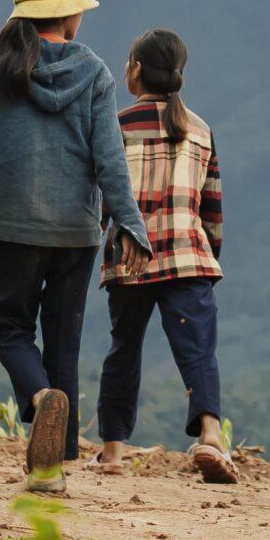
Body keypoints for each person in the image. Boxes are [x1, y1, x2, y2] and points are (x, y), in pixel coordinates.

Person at [0, 0, 153, 495]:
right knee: (63, 339)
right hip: (76, 231)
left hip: (9, 226)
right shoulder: (93, 70)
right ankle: (51, 469)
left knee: (11, 329)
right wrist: (128, 224)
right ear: (69, 14)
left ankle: (39, 399)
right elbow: (109, 158)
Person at [91, 28, 236, 483]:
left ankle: (113, 450)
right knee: (198, 351)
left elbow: (103, 199)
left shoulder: (116, 124)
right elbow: (212, 205)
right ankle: (210, 433)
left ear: (135, 69)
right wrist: (208, 254)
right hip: (187, 257)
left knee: (124, 350)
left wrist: (99, 243)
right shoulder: (200, 129)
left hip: (130, 261)